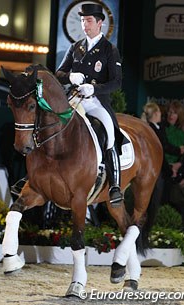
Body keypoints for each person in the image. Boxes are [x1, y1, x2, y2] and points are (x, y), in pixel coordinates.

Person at [56, 3, 123, 207]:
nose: (85, 24)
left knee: (110, 133)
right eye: (83, 20)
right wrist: (70, 76)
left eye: (89, 21)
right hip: (74, 100)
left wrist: (95, 89)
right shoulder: (76, 47)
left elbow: (117, 82)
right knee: (48, 125)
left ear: (100, 23)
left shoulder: (109, 50)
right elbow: (58, 73)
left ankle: (114, 184)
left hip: (95, 102)